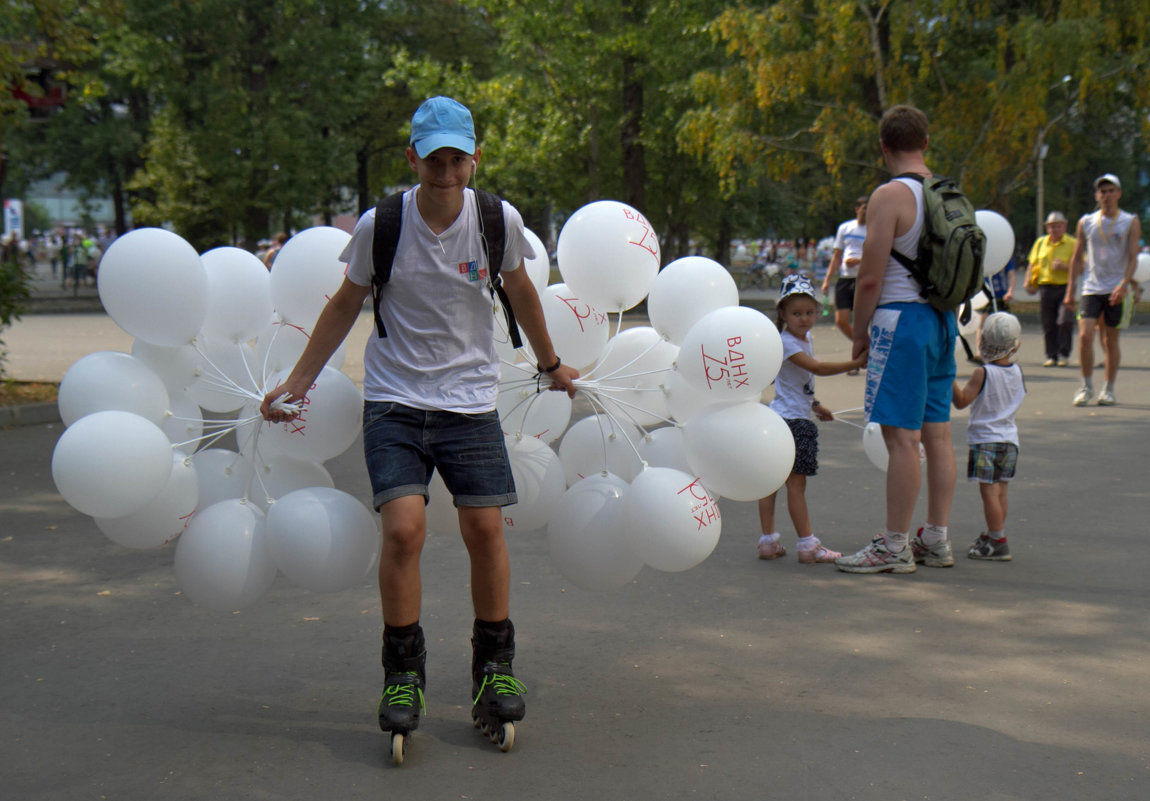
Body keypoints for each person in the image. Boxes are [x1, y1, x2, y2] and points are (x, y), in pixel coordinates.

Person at [259, 96, 579, 759]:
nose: (445, 170)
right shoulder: (385, 224)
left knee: (484, 527)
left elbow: (520, 289)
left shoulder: (496, 219)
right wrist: (297, 382)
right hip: (396, 401)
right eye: (433, 158)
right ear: (413, 158)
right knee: (403, 528)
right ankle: (402, 674)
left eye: (456, 158)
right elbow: (346, 302)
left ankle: (494, 668)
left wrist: (550, 362)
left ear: (473, 159)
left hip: (468, 403)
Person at [836, 104, 957, 575]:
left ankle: (894, 546)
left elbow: (869, 278)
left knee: (902, 441)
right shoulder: (946, 193)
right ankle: (937, 538)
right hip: (942, 321)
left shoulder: (890, 196)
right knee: (939, 436)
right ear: (925, 142)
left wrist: (860, 333)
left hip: (901, 323)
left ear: (883, 147)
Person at [756, 275, 865, 563]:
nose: (803, 319)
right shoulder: (786, 342)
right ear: (783, 314)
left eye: (809, 312)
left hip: (784, 417)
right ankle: (807, 545)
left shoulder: (804, 338)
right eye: (796, 313)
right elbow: (816, 368)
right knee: (795, 485)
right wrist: (854, 363)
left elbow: (797, 382)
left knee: (769, 483)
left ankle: (768, 542)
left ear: (817, 311)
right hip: (793, 423)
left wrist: (815, 404)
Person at [952, 313, 1025, 561]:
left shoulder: (982, 374)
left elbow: (961, 401)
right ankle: (994, 534)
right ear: (1016, 345)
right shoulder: (1017, 372)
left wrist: (948, 375)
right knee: (1001, 492)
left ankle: (998, 541)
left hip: (985, 440)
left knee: (989, 494)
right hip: (1010, 440)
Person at [1064, 173, 1142, 406]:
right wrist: (1070, 290)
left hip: (1116, 287)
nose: (1106, 195)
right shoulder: (1086, 222)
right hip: (1091, 288)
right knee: (1086, 336)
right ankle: (1086, 386)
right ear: (1097, 196)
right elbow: (1077, 257)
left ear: (1118, 193)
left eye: (1110, 191)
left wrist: (1125, 284)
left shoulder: (1129, 221)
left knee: (1110, 341)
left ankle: (1108, 389)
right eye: (1102, 192)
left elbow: (1133, 257)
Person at [1025, 211, 1076, 367]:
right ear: (1047, 228)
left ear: (1065, 226)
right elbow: (1032, 264)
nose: (1055, 229)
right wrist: (1028, 282)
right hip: (1045, 287)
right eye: (1052, 226)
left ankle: (1064, 354)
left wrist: (1065, 267)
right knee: (1048, 323)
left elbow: (1082, 266)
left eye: (1058, 226)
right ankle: (1051, 355)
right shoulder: (1041, 243)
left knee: (1065, 320)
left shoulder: (1073, 243)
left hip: (1065, 287)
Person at [821, 196, 869, 349]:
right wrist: (827, 280)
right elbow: (837, 256)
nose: (866, 211)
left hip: (862, 278)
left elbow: (879, 256)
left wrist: (859, 261)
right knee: (841, 321)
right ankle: (865, 346)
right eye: (864, 208)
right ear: (857, 209)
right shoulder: (845, 228)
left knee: (860, 321)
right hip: (845, 277)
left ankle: (858, 356)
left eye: (869, 208)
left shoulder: (874, 230)